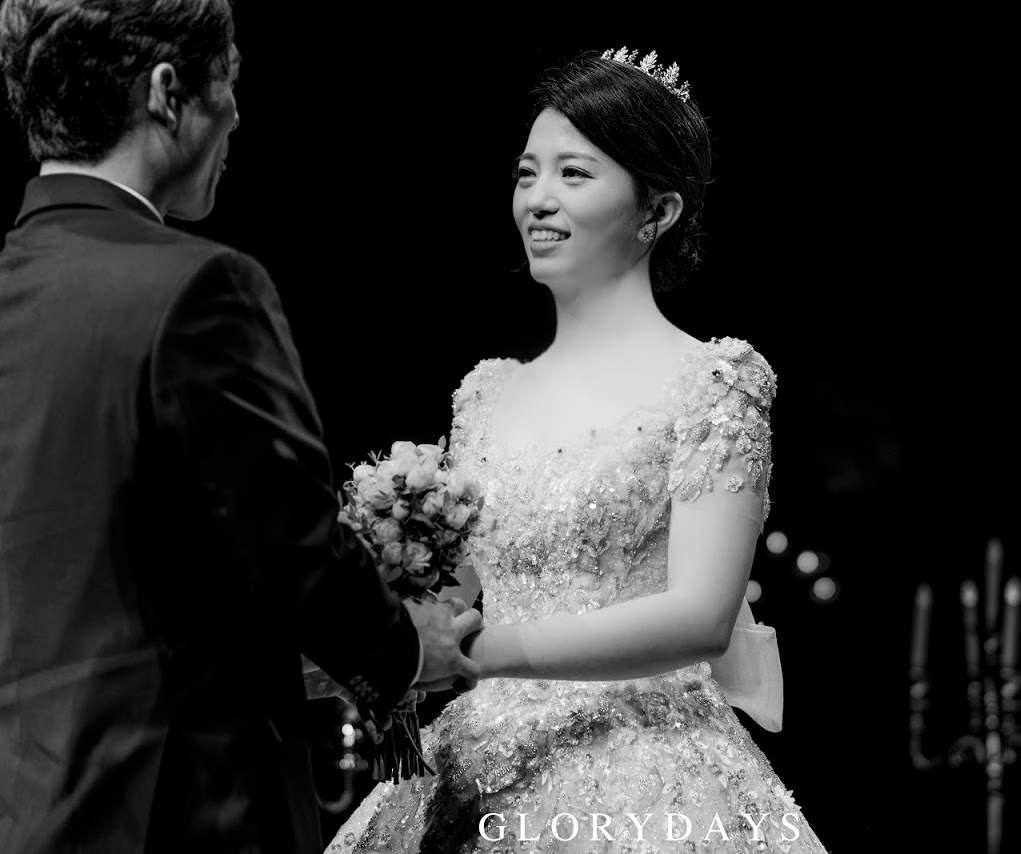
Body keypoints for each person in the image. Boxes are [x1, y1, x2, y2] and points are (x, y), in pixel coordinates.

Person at [0, 3, 480, 852]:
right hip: (181, 802)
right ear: (167, 93)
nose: (235, 115)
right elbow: (292, 548)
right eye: (230, 80)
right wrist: (408, 650)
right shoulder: (198, 288)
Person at [328, 49, 828, 852]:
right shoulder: (486, 392)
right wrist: (381, 622)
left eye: (574, 174)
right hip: (478, 757)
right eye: (527, 174)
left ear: (656, 210)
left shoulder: (714, 383)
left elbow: (700, 617)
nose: (538, 199)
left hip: (648, 765)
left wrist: (476, 652)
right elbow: (464, 589)